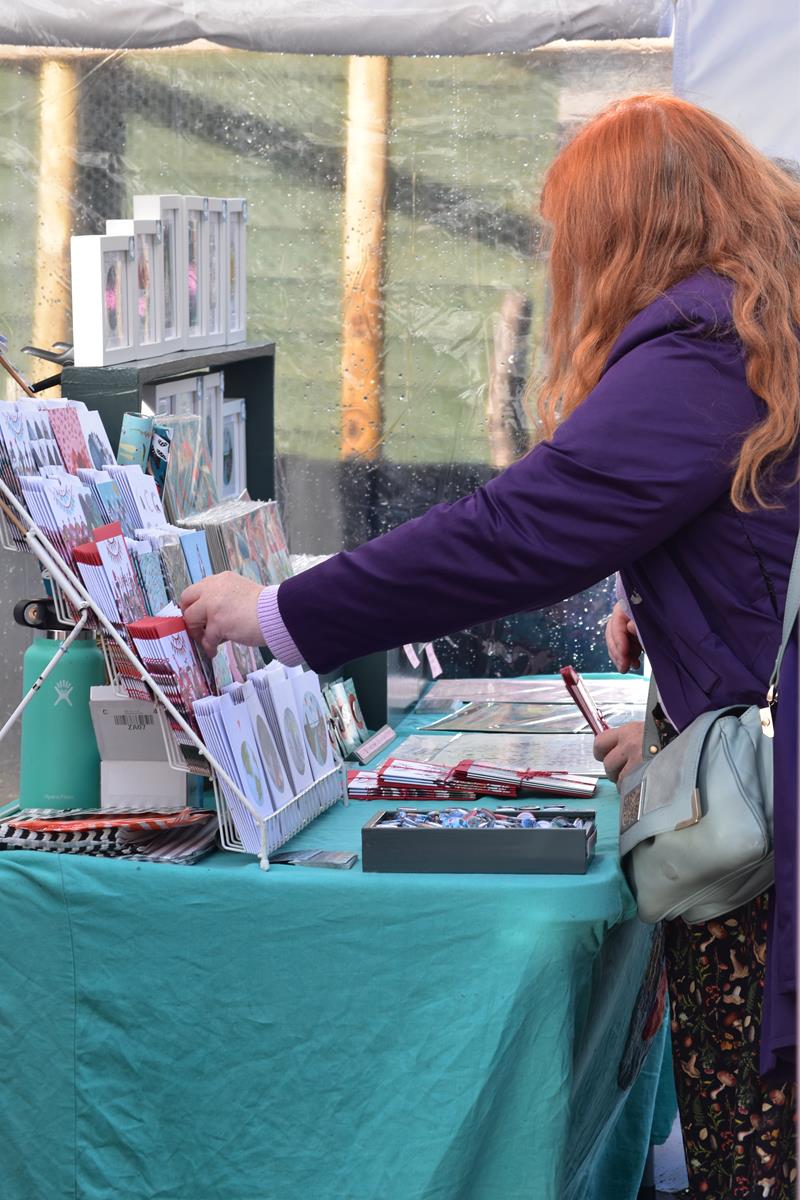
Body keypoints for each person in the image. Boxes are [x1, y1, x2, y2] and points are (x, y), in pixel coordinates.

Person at [181, 94, 799, 1199]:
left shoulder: (704, 341)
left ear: (629, 232)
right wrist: (670, 708)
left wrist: (283, 615)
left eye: (574, 238)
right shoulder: (763, 321)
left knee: (762, 1155)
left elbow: (519, 531)